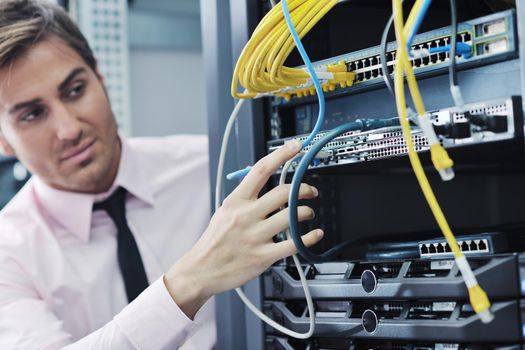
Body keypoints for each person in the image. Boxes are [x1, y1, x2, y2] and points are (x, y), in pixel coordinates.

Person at [0, 0, 324, 348]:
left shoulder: (215, 167)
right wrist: (192, 279)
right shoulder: (9, 251)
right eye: (33, 114)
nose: (68, 129)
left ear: (102, 81)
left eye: (75, 90)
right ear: (4, 141)